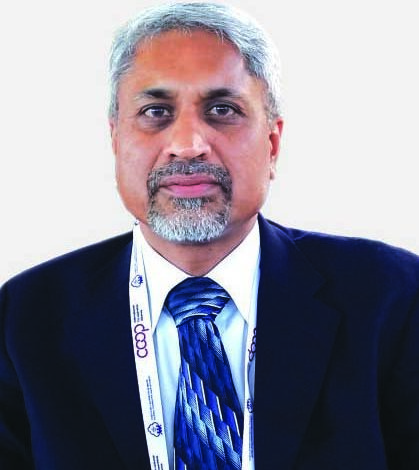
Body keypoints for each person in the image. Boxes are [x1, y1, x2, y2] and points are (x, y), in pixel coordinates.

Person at [1, 2, 418, 469]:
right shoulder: (26, 318)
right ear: (115, 140)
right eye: (156, 111)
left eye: (222, 110)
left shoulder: (390, 297)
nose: (188, 145)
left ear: (272, 144)